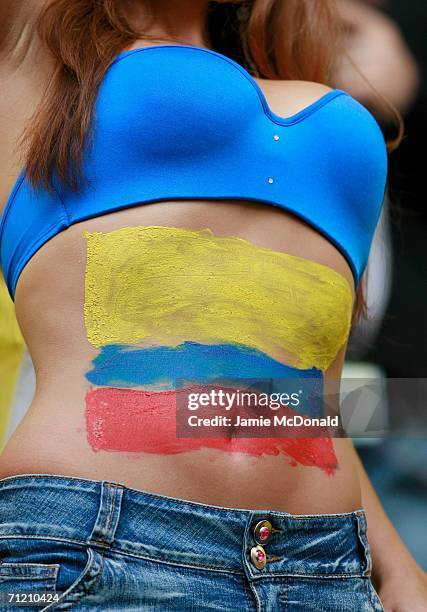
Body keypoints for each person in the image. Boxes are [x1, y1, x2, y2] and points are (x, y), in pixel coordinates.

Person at [0, 1, 426, 609]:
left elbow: (297, 403)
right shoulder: (33, 38)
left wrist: (397, 565)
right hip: (102, 542)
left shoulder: (284, 60)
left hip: (321, 564)